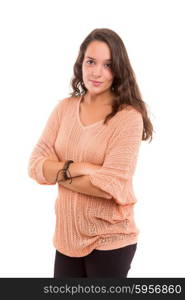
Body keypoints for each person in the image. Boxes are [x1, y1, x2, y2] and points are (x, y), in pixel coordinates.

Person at [28, 28, 153, 278]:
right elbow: (34, 165)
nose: (97, 72)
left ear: (118, 70)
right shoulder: (64, 108)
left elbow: (110, 185)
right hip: (66, 239)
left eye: (108, 65)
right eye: (91, 62)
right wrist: (81, 168)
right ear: (80, 63)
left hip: (111, 240)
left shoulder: (128, 117)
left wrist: (56, 171)